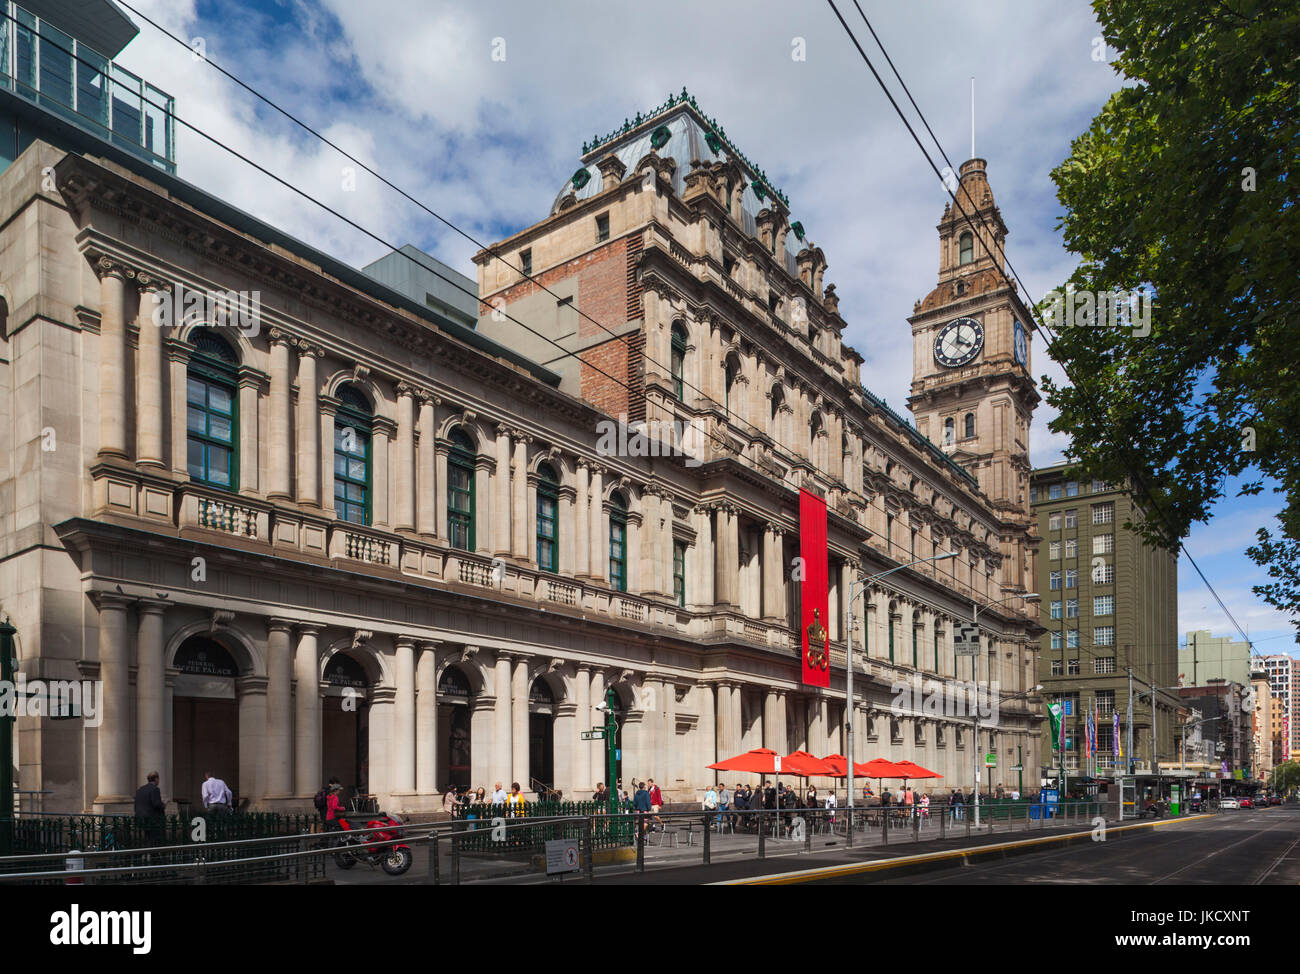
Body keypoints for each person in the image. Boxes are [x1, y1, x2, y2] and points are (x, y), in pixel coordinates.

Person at [134, 771, 166, 845]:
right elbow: (156, 804)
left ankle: (146, 851)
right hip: (152, 820)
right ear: (156, 779)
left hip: (140, 818)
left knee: (146, 838)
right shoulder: (155, 789)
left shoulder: (140, 789)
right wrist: (164, 804)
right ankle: (153, 853)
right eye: (158, 779)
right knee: (154, 839)